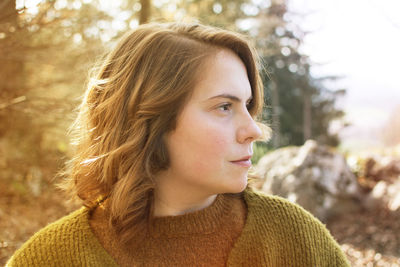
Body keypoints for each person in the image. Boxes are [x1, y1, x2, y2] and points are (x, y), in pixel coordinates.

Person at [6, 22, 350, 267]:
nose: (253, 130)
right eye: (224, 107)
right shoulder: (51, 259)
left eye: (248, 106)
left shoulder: (295, 239)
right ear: (147, 121)